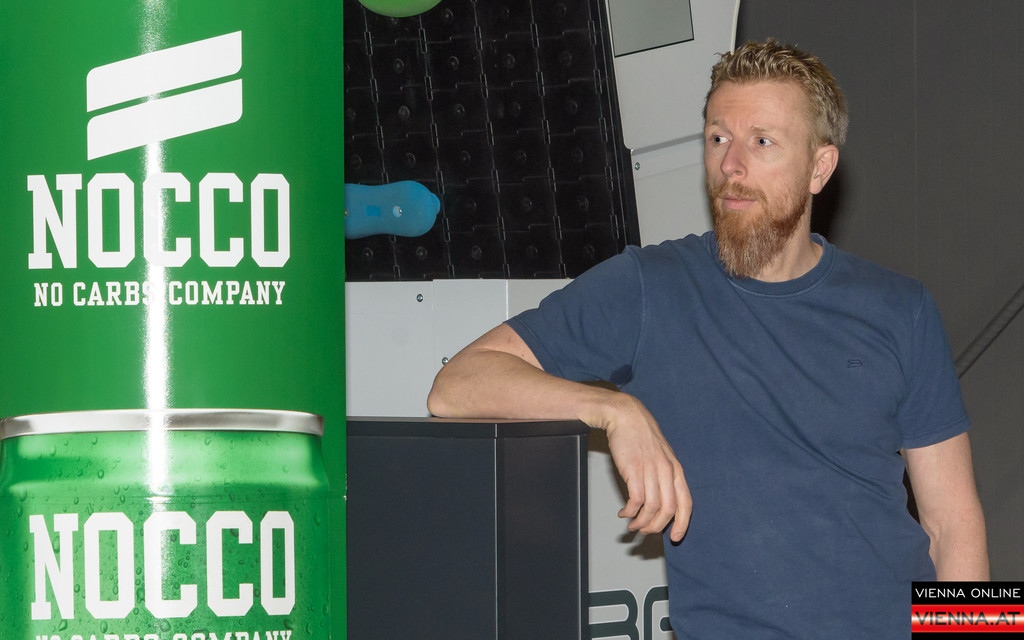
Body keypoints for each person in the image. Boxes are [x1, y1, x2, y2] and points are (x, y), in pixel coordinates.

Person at [427, 38, 988, 638]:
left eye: (762, 142)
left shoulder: (901, 307)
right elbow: (455, 386)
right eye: (718, 138)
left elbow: (952, 523)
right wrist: (614, 410)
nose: (731, 165)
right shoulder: (649, 286)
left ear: (819, 168)